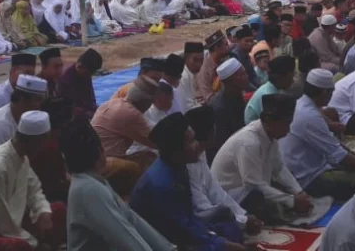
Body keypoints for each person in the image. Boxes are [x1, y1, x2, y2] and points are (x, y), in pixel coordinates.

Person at [129, 113, 249, 251]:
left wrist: (217, 239)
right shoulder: (163, 184)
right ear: (176, 150)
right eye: (191, 141)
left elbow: (190, 219)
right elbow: (181, 231)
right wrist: (222, 244)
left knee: (229, 228)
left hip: (180, 230)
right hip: (162, 242)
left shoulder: (178, 167)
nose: (197, 144)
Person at [0, 111, 68, 250]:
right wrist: (36, 244)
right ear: (36, 142)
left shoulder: (22, 158)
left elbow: (34, 190)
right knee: (19, 246)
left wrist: (42, 211)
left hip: (12, 224)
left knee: (57, 211)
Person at [63, 118, 173, 250]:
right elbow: (124, 235)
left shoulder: (93, 180)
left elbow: (130, 218)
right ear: (99, 151)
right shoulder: (88, 189)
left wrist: (168, 248)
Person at [210, 95, 313, 223]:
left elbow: (279, 168)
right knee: (270, 204)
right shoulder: (249, 142)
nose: (288, 130)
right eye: (285, 125)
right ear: (270, 122)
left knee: (286, 193)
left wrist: (299, 192)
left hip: (251, 189)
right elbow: (254, 185)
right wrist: (292, 201)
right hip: (231, 196)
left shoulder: (270, 135)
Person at [279, 69, 355, 200]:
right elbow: (338, 155)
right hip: (307, 179)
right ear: (324, 92)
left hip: (308, 167)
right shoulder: (309, 116)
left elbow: (334, 144)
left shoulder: (302, 104)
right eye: (331, 92)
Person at [183, 106, 262, 236]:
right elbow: (202, 208)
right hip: (199, 218)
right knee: (230, 229)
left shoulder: (200, 154)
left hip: (213, 208)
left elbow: (216, 191)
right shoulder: (188, 163)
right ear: (210, 133)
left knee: (253, 198)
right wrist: (242, 221)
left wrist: (243, 214)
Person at [91, 79, 158, 187]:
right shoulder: (131, 113)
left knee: (146, 156)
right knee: (148, 163)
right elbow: (157, 141)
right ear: (147, 103)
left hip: (95, 159)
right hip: (104, 163)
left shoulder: (114, 102)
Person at [0, 74, 48, 163]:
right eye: (38, 101)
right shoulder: (0, 124)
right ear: (23, 100)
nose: (41, 106)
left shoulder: (22, 117)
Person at [208, 58, 249, 164]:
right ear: (231, 81)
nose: (247, 77)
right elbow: (222, 145)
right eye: (242, 75)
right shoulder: (219, 108)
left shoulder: (237, 96)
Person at [244, 55, 295, 124]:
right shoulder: (268, 95)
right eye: (291, 77)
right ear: (281, 78)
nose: (293, 81)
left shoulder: (270, 88)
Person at [55, 48, 103, 120]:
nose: (89, 76)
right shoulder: (64, 80)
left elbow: (90, 98)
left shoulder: (85, 74)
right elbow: (67, 108)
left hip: (83, 109)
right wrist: (89, 113)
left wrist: (97, 109)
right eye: (88, 73)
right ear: (79, 66)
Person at [196, 30, 230, 106]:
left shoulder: (224, 59)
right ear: (216, 48)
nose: (229, 47)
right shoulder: (203, 69)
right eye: (226, 44)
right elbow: (209, 98)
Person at [180, 42, 205, 111]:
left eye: (201, 60)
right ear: (186, 58)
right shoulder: (183, 77)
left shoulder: (191, 74)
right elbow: (187, 109)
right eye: (196, 60)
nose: (199, 64)